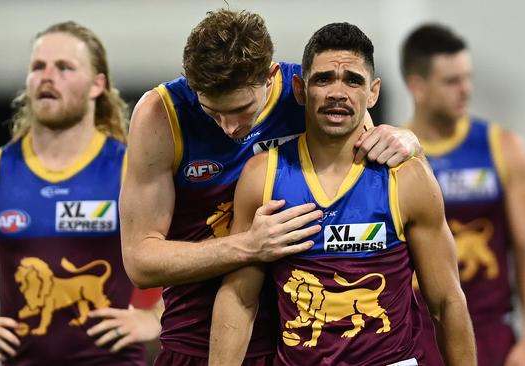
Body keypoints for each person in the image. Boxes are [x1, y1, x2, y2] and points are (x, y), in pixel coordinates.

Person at [120, 9, 424, 365]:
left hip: (299, 344)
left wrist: (409, 139)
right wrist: (248, 246)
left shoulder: (311, 95)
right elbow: (141, 262)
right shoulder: (162, 115)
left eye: (242, 109)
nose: (229, 128)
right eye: (212, 112)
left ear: (271, 76)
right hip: (197, 340)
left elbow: (377, 185)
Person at [208, 22, 475, 366]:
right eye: (323, 79)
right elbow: (240, 299)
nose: (338, 92)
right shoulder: (263, 176)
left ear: (373, 92)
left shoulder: (405, 177)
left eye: (352, 80)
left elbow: (446, 303)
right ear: (300, 90)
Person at [0, 21, 161, 366]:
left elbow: (198, 243)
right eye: (38, 67)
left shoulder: (130, 170)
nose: (47, 76)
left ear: (97, 85)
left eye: (64, 67)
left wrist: (155, 317)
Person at [400, 23, 525, 365]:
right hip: (419, 334)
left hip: (490, 331)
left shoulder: (503, 147)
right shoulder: (390, 155)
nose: (466, 89)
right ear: (417, 86)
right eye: (452, 81)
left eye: (468, 78)